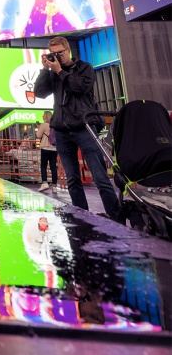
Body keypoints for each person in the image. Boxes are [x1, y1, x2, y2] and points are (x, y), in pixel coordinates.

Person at [34, 36, 120, 219]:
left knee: (100, 177)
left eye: (60, 53)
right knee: (72, 179)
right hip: (62, 130)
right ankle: (82, 217)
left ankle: (116, 217)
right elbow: (40, 93)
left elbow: (79, 87)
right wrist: (45, 70)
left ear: (68, 51)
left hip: (85, 127)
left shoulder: (84, 68)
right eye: (53, 54)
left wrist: (59, 72)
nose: (57, 57)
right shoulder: (53, 73)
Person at [36, 110, 59, 194]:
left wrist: (39, 128)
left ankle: (44, 183)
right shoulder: (55, 125)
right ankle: (54, 186)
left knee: (43, 166)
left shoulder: (44, 125)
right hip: (54, 148)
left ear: (45, 116)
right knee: (53, 167)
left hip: (45, 147)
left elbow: (38, 135)